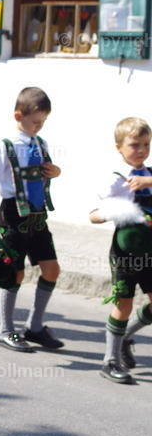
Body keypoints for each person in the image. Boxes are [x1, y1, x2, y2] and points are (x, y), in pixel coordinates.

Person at [0, 86, 63, 352]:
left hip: (38, 217)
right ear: (19, 116)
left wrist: (56, 171)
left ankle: (35, 326)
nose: (39, 126)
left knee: (52, 269)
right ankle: (4, 329)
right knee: (14, 273)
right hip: (13, 215)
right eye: (35, 121)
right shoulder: (6, 147)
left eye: (43, 122)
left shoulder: (42, 143)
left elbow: (47, 173)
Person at [89, 117, 152, 384]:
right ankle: (110, 360)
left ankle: (125, 336)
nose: (141, 150)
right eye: (135, 145)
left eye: (146, 144)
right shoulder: (115, 179)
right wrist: (108, 213)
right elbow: (93, 214)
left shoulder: (149, 175)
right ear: (119, 147)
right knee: (123, 304)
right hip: (125, 252)